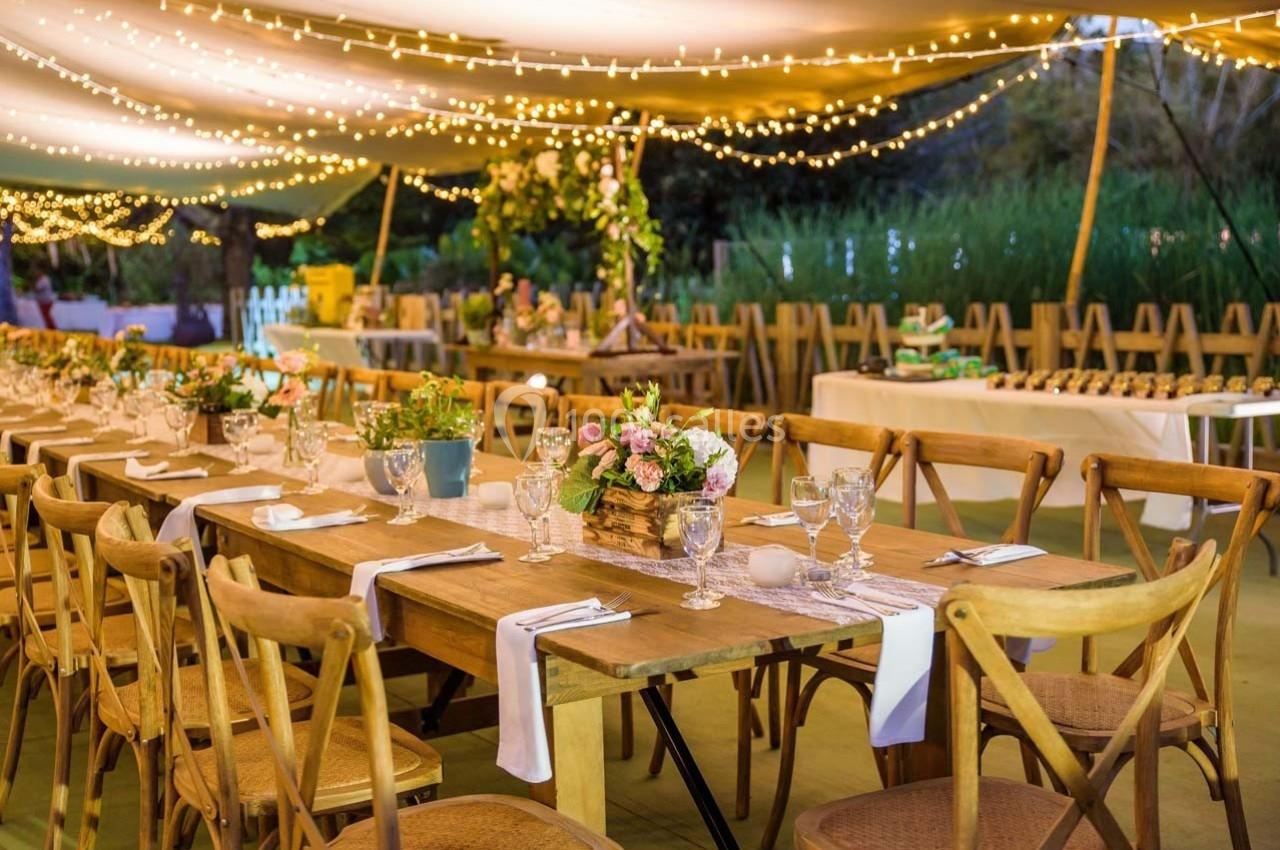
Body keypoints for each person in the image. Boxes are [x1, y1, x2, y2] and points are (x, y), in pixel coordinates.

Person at [30, 258, 56, 329]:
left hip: (46, 301)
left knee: (46, 316)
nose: (35, 273)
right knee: (45, 317)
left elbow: (36, 289)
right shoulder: (40, 279)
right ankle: (50, 328)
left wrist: (31, 285)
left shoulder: (44, 280)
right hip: (43, 301)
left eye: (36, 271)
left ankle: (53, 328)